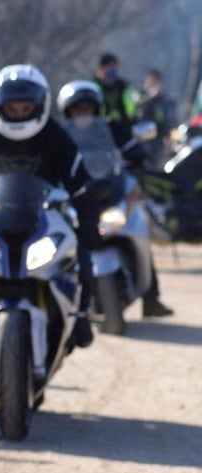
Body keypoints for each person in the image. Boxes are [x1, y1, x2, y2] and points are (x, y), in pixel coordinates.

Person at [0, 65, 99, 349]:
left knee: (83, 258)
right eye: (11, 108)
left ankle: (79, 317)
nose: (18, 114)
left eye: (25, 108)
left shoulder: (56, 136)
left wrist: (88, 224)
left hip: (47, 218)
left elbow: (81, 183)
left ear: (40, 105)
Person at [59, 80, 173, 318]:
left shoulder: (111, 127)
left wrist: (138, 158)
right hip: (77, 199)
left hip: (110, 191)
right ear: (68, 111)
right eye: (78, 109)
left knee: (140, 231)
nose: (84, 113)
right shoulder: (60, 134)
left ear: (96, 108)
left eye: (88, 108)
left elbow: (133, 151)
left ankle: (151, 299)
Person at [137, 69, 176, 166]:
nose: (154, 85)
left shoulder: (163, 100)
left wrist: (168, 135)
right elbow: (136, 110)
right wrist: (150, 98)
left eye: (156, 82)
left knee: (153, 166)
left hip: (157, 139)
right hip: (140, 137)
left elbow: (167, 120)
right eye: (152, 81)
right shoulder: (139, 95)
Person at [95, 53, 139, 127]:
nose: (113, 70)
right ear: (101, 68)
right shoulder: (93, 88)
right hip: (100, 128)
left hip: (123, 128)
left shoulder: (124, 86)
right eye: (110, 67)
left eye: (115, 67)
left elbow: (134, 107)